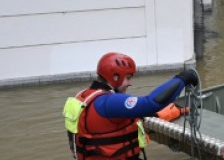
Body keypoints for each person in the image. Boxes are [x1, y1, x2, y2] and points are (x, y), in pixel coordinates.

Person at [63, 52, 200, 160]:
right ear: (115, 78)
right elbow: (150, 104)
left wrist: (179, 111)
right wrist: (183, 78)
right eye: (128, 78)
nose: (130, 83)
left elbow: (143, 116)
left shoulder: (84, 97)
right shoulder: (108, 102)